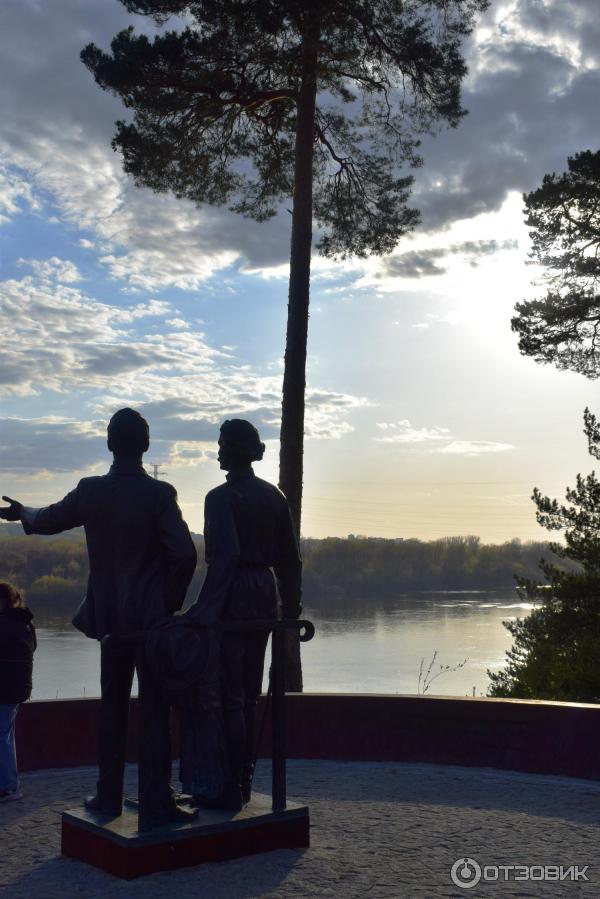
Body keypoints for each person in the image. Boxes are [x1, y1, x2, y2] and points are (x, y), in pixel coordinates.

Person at [0, 408, 198, 829]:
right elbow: (184, 553)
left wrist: (22, 513)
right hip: (149, 623)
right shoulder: (160, 495)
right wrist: (167, 604)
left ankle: (108, 796)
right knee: (155, 709)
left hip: (110, 621)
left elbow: (49, 518)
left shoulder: (91, 491)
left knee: (112, 708)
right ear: (145, 446)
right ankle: (157, 799)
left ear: (109, 444)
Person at [184, 419, 302, 810]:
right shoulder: (274, 496)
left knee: (231, 696)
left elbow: (225, 558)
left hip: (233, 598)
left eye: (222, 443)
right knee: (248, 696)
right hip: (264, 596)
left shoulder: (220, 497)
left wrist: (201, 609)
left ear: (236, 449)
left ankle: (230, 784)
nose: (217, 450)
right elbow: (290, 560)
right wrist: (289, 611)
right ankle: (241, 781)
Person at [0, 583, 36, 803]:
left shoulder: (4, 624)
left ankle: (9, 787)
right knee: (5, 736)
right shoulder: (26, 624)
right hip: (18, 689)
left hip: (4, 689)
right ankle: (9, 784)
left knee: (2, 737)